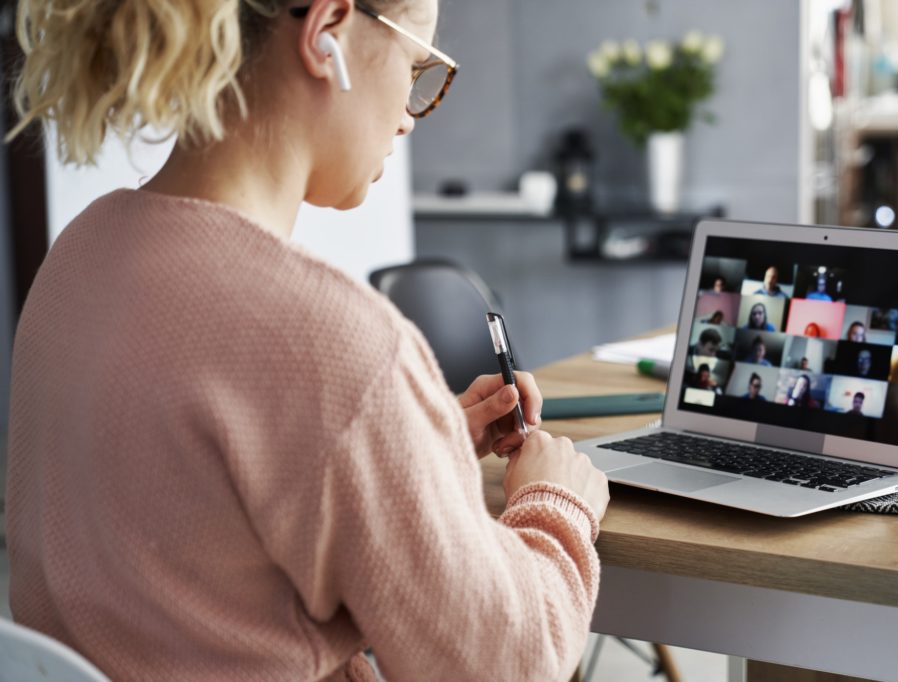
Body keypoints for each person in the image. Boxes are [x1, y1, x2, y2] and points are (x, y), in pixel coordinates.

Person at [4, 1, 609, 679]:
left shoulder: (80, 256)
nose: (409, 115)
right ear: (327, 33)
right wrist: (556, 505)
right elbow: (508, 665)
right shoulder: (332, 342)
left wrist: (414, 445)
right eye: (415, 68)